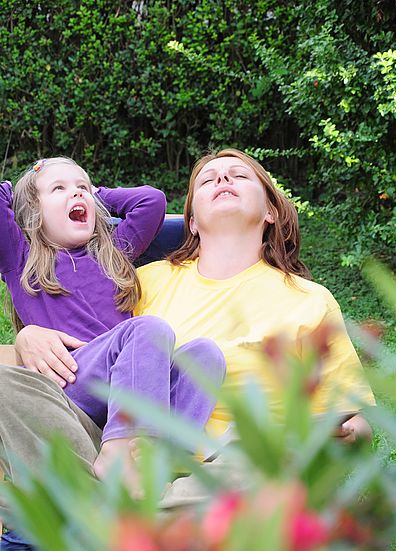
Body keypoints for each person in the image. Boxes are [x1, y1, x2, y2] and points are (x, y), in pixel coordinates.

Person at [1, 148, 374, 505]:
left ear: (271, 211)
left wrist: (338, 437)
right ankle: (143, 503)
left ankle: (133, 508)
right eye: (208, 179)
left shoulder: (309, 301)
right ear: (192, 220)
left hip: (222, 460)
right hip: (103, 440)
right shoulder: (137, 280)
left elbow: (355, 421)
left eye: (239, 175)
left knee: (209, 366)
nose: (223, 177)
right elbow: (70, 338)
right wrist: (26, 337)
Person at [0, 158, 225, 494]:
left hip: (131, 388)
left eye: (82, 188)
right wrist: (32, 179)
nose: (76, 194)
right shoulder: (22, 258)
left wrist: (96, 193)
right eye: (58, 189)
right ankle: (119, 453)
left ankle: (153, 463)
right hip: (73, 381)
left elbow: (151, 201)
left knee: (206, 355)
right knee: (149, 330)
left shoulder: (112, 252)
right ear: (32, 212)